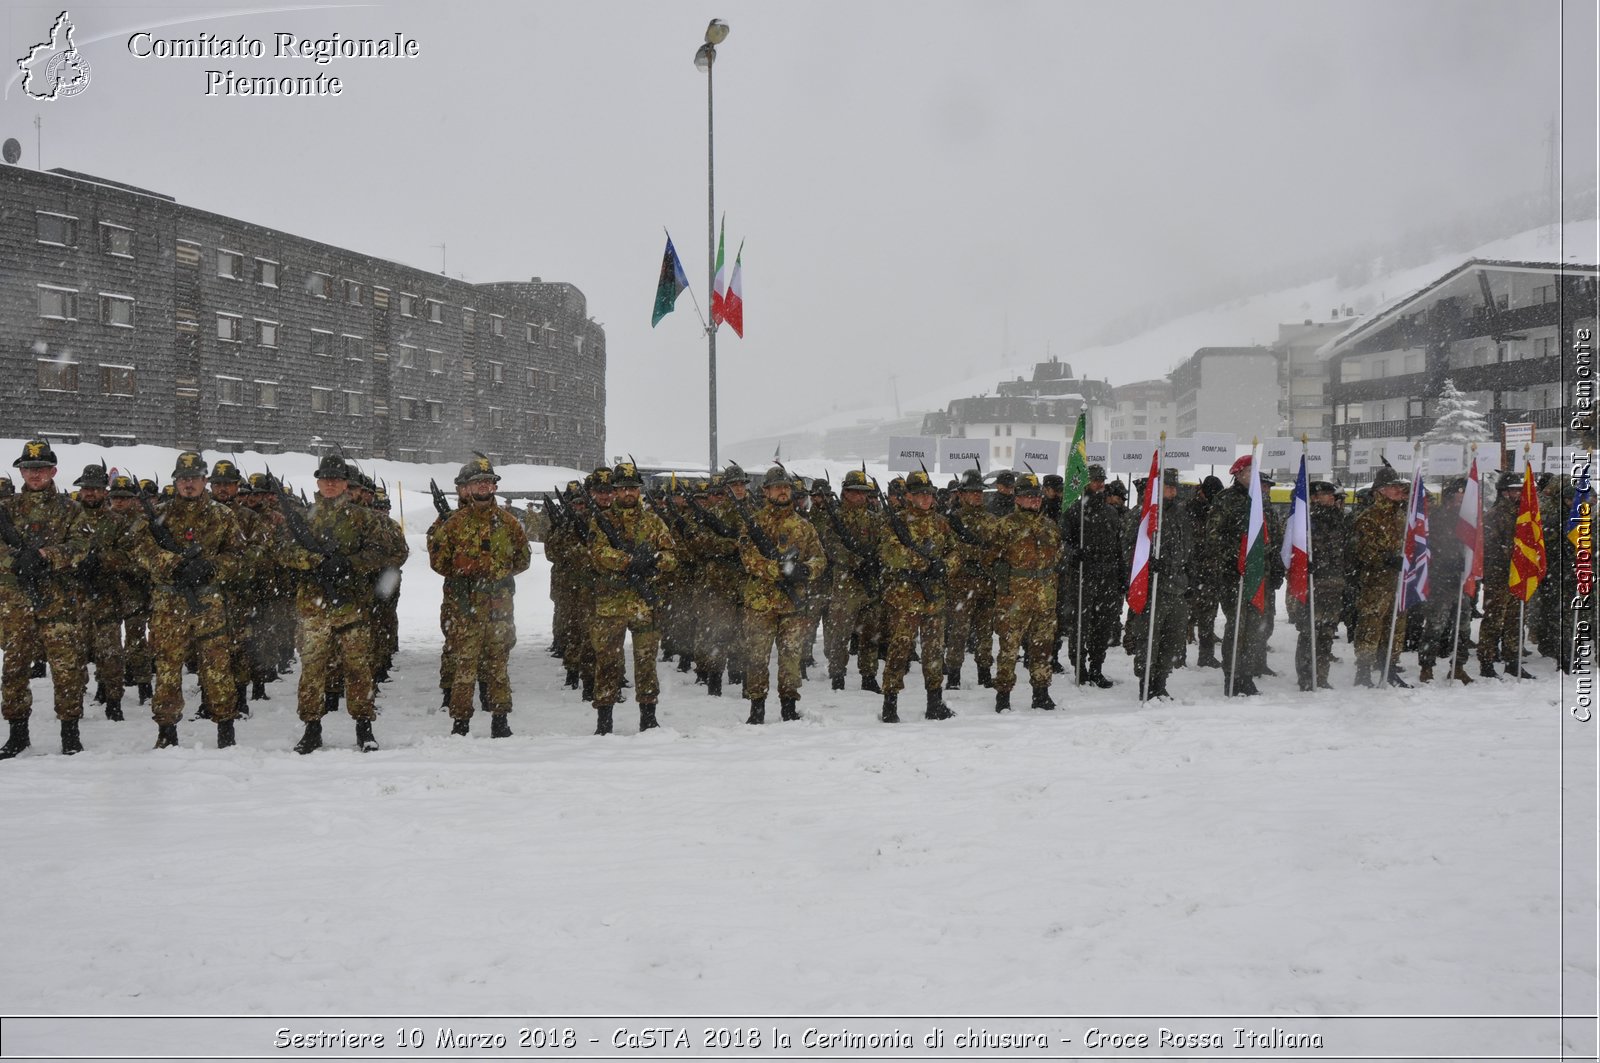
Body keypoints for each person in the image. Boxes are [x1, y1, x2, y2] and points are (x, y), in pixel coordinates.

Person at [276, 455, 408, 754]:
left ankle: (364, 728)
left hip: (352, 606)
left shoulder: (363, 518)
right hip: (313, 608)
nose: (331, 483)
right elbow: (282, 551)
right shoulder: (303, 517)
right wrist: (315, 562)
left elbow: (384, 552)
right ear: (318, 481)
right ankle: (312, 729)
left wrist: (349, 564)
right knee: (312, 670)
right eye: (326, 478)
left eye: (336, 478)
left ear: (346, 483)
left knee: (358, 669)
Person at [128, 451, 247, 749]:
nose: (188, 484)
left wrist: (210, 566)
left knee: (217, 667)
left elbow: (239, 557)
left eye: (194, 478)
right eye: (183, 479)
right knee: (168, 668)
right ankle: (166, 731)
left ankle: (225, 729)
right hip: (169, 605)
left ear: (205, 481)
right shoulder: (158, 516)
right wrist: (174, 563)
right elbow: (140, 550)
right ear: (176, 482)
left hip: (208, 603)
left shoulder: (223, 515)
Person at [428, 454, 531, 737]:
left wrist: (497, 570)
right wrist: (467, 568)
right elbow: (438, 561)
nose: (483, 487)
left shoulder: (509, 523)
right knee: (465, 666)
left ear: (495, 487)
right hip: (466, 607)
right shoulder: (455, 523)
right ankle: (460, 722)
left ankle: (500, 719)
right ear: (468, 488)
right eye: (477, 483)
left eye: (488, 482)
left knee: (498, 665)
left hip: (499, 607)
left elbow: (523, 559)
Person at [0, 440, 92, 758]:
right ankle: (17, 734)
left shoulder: (70, 509)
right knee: (13, 669)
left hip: (57, 599)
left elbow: (81, 546)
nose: (34, 474)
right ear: (21, 471)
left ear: (53, 470)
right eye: (28, 468)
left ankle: (70, 733)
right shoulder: (7, 509)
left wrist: (46, 556)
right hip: (17, 602)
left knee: (66, 669)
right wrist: (15, 560)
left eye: (40, 469)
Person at [583, 462, 675, 734]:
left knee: (646, 661)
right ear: (615, 491)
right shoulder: (601, 520)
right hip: (611, 601)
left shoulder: (653, 521)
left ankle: (648, 716)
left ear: (639, 491)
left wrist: (654, 562)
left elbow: (671, 556)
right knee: (608, 661)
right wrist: (628, 562)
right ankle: (604, 720)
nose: (627, 494)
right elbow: (598, 553)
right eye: (622, 489)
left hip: (643, 603)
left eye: (632, 489)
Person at [734, 467, 826, 723]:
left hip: (793, 605)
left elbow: (820, 559)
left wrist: (804, 570)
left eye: (786, 487)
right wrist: (781, 570)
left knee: (791, 657)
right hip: (760, 604)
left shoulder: (804, 527)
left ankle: (789, 707)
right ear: (766, 491)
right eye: (777, 487)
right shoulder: (753, 523)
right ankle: (757, 707)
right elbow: (749, 559)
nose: (783, 491)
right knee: (756, 656)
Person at [875, 470, 961, 722]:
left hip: (933, 597)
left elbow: (955, 552)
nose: (926, 499)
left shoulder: (941, 523)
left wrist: (945, 565)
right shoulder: (895, 522)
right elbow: (890, 552)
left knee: (934, 651)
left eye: (929, 494)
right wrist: (923, 563)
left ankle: (935, 702)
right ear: (909, 496)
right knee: (899, 651)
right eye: (920, 494)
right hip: (904, 597)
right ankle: (890, 705)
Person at [988, 472, 1062, 710]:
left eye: (1037, 496)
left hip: (1045, 597)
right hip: (1015, 598)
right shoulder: (1005, 525)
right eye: (1029, 497)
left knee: (1043, 647)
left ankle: (1041, 693)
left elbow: (1057, 557)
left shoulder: (1050, 526)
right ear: (1017, 498)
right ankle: (1003, 695)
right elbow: (989, 557)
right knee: (1009, 649)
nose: (1035, 501)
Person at [1125, 469, 1193, 700]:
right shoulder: (1143, 514)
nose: (1172, 491)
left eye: (1174, 487)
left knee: (1172, 640)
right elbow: (1128, 548)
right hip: (1153, 587)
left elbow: (1188, 548)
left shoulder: (1181, 514)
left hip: (1178, 586)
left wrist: (1190, 578)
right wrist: (1146, 565)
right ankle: (1147, 684)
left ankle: (1160, 682)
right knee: (1149, 639)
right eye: (1167, 487)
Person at [817, 469, 885, 692]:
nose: (860, 496)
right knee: (839, 635)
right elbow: (831, 546)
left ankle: (869, 675)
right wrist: (856, 561)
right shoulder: (834, 518)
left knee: (871, 634)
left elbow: (883, 544)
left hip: (870, 586)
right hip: (845, 585)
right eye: (855, 492)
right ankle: (838, 675)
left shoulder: (875, 519)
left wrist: (875, 561)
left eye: (863, 492)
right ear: (845, 493)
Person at [1206, 455, 1267, 696]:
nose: (1254, 477)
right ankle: (1232, 677)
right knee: (1236, 627)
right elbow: (1213, 535)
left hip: (1254, 575)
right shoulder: (1225, 500)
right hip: (1232, 574)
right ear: (1238, 474)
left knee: (1253, 627)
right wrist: (1235, 558)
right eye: (1250, 472)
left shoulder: (1258, 500)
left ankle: (1246, 676)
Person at [1061, 464, 1122, 688]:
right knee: (1080, 625)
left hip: (1107, 577)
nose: (1100, 484)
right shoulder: (1074, 511)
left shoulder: (1111, 512)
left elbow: (1118, 547)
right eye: (1095, 480)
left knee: (1103, 626)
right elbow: (1063, 542)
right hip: (1082, 577)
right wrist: (1074, 553)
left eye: (1102, 480)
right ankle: (1080, 667)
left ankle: (1097, 667)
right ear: (1086, 483)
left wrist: (1121, 576)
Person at [1350, 466, 1411, 687]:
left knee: (1395, 626)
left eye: (1399, 487)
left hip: (1397, 582)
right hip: (1376, 583)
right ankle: (1364, 670)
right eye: (1394, 487)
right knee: (1371, 625)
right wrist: (1387, 559)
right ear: (1382, 490)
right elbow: (1363, 551)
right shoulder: (1369, 517)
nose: (1398, 491)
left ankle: (1390, 667)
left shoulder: (1402, 516)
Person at [942, 469, 999, 689]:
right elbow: (952, 550)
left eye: (979, 492)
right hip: (961, 585)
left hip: (986, 584)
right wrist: (979, 553)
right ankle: (954, 676)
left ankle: (984, 674)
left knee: (986, 633)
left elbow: (997, 550)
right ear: (962, 494)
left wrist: (982, 555)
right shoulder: (952, 521)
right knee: (958, 632)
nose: (977, 496)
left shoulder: (991, 520)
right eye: (972, 492)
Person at [1290, 480, 1349, 690]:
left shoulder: (1339, 519)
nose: (1332, 497)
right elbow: (1291, 551)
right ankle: (1306, 677)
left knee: (1326, 632)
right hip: (1312, 585)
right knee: (1309, 633)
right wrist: (1305, 564)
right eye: (1326, 494)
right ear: (1314, 497)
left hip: (1334, 584)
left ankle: (1321, 675)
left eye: (1332, 494)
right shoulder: (1303, 520)